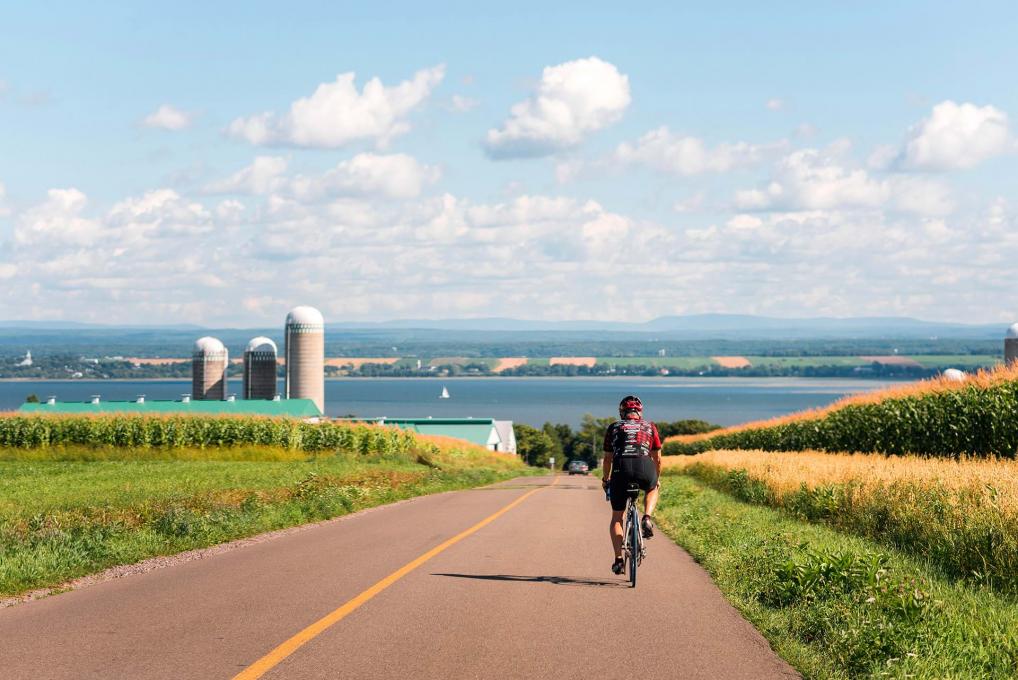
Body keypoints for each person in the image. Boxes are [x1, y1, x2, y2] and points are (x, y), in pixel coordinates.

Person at [601, 395, 662, 575]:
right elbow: (657, 458)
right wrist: (655, 478)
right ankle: (647, 518)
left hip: (621, 469)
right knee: (652, 488)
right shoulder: (649, 426)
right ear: (639, 412)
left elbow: (607, 459)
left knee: (617, 518)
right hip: (644, 466)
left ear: (622, 412)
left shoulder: (614, 427)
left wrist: (606, 480)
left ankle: (618, 560)